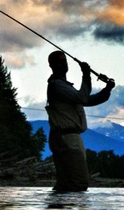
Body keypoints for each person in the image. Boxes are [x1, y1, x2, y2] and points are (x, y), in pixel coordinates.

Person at [46, 51, 115, 192]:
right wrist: (86, 74)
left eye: (64, 61)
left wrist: (107, 89)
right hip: (66, 139)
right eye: (58, 62)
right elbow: (83, 98)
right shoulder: (57, 85)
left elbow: (88, 100)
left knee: (65, 184)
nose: (62, 64)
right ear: (51, 66)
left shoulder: (65, 88)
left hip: (65, 138)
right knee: (79, 183)